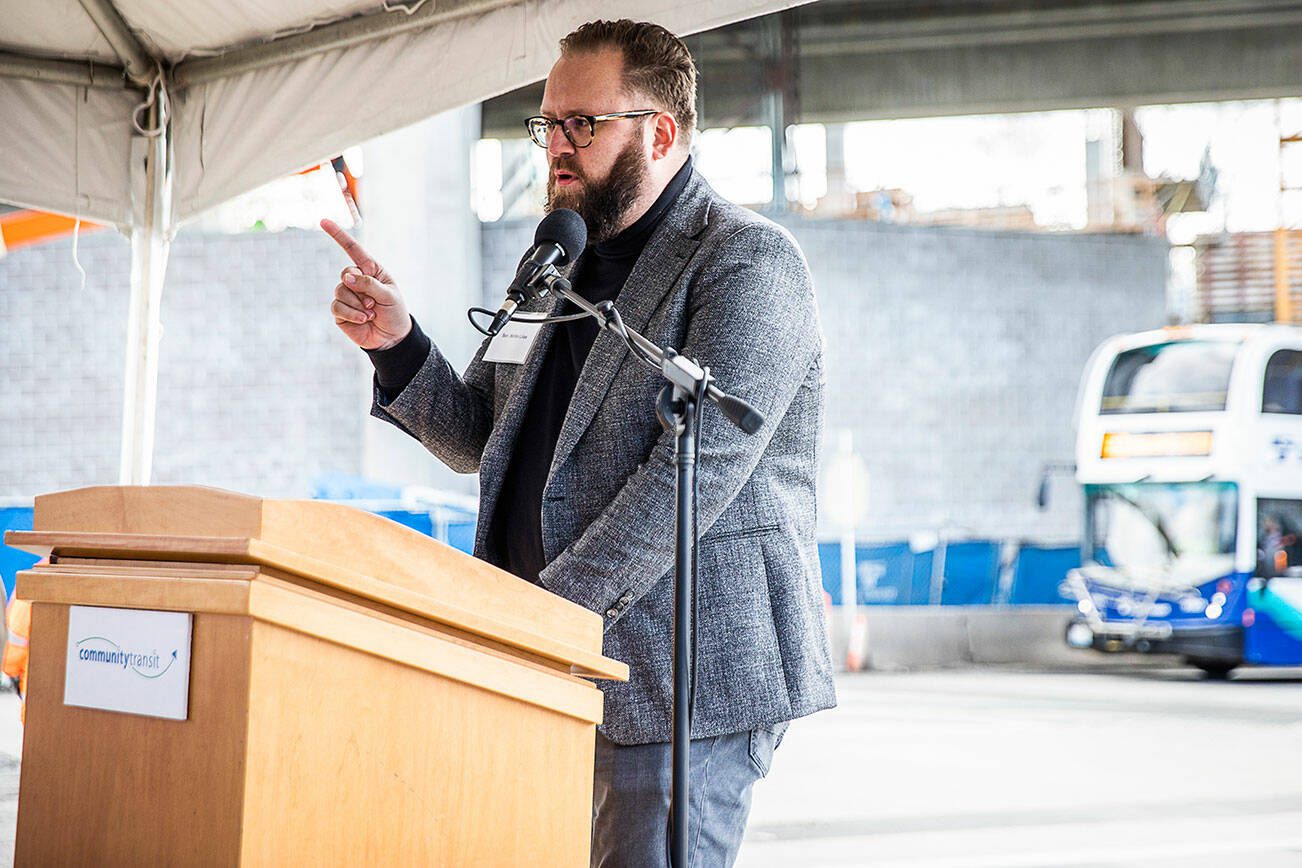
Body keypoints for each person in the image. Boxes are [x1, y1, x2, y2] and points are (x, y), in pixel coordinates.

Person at [323, 19, 834, 866]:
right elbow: (479, 437)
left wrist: (532, 620)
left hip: (681, 683)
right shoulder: (553, 264)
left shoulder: (747, 262)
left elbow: (689, 476)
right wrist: (400, 344)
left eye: (582, 125)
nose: (556, 146)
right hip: (547, 665)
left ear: (661, 131)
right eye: (548, 123)